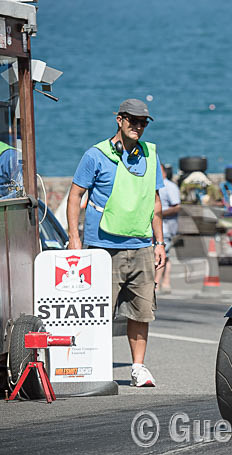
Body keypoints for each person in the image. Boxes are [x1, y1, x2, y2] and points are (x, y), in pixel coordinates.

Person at [66, 98, 166, 388]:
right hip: (102, 246)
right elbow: (75, 195)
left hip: (141, 245)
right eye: (132, 120)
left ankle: (138, 368)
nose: (138, 126)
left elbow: (155, 202)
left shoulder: (151, 155)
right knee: (98, 310)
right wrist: (75, 239)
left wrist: (159, 242)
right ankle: (92, 364)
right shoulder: (96, 155)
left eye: (143, 122)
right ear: (119, 119)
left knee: (141, 310)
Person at [155, 164, 181, 293]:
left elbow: (177, 206)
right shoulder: (154, 185)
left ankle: (157, 284)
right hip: (159, 227)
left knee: (160, 255)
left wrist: (158, 214)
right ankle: (166, 282)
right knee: (167, 255)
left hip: (166, 227)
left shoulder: (169, 186)